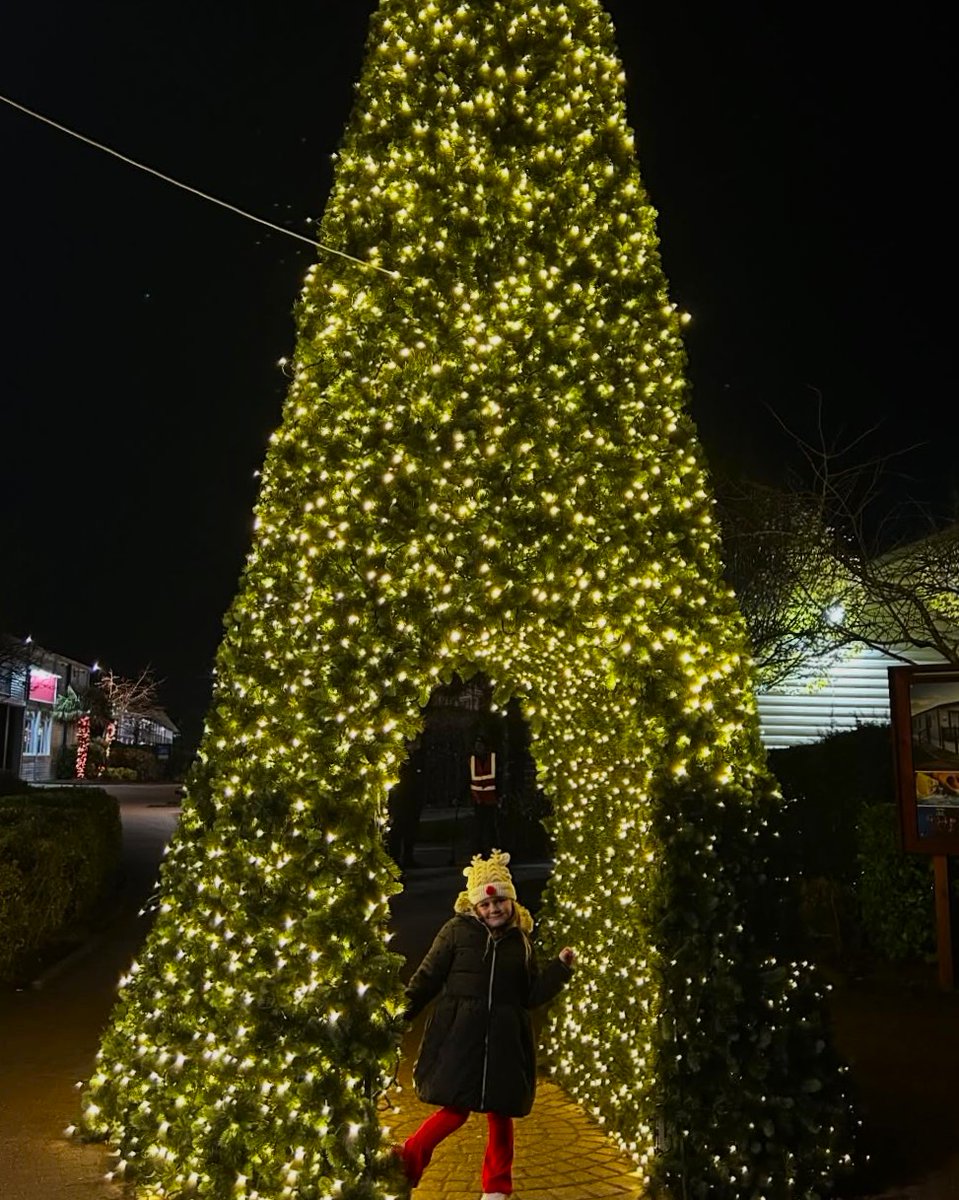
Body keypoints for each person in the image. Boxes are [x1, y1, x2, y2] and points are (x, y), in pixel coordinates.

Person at [393, 850, 575, 1199]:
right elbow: (428, 977)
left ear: (511, 901)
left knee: (500, 1115)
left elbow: (531, 993)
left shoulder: (520, 941)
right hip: (461, 1036)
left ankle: (496, 1188)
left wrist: (560, 970)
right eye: (486, 905)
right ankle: (410, 1159)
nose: (494, 910)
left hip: (505, 1041)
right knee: (454, 1110)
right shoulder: (455, 933)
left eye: (501, 902)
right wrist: (401, 1016)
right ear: (473, 906)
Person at [469, 736, 499, 857]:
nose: (479, 748)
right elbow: (468, 778)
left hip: (491, 798)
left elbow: (498, 777)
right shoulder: (472, 760)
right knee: (479, 828)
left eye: (481, 745)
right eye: (477, 746)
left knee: (490, 827)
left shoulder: (492, 758)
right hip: (478, 799)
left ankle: (492, 851)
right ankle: (479, 852)